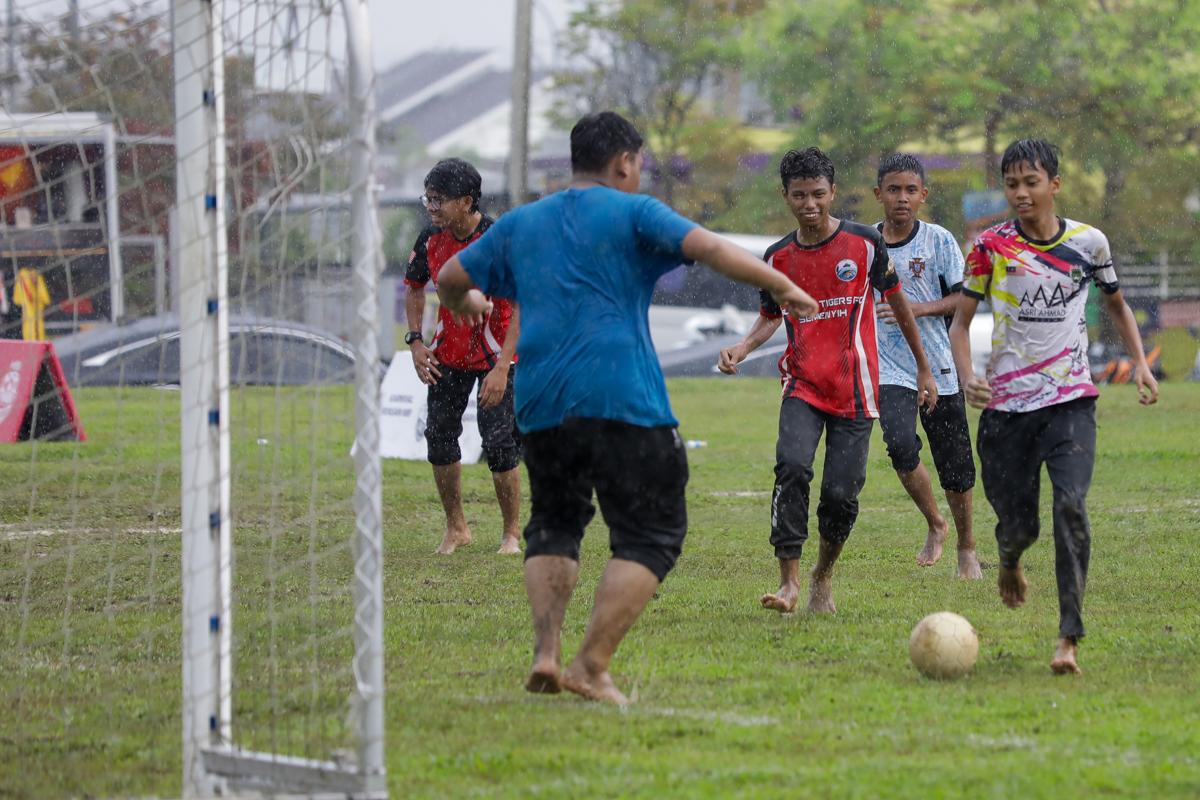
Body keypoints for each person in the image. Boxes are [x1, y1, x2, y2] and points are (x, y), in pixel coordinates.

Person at [437, 111, 818, 706]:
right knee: (651, 535)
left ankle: (546, 654)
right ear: (623, 162)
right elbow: (712, 248)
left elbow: (449, 276)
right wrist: (784, 287)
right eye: (638, 163)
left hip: (541, 404)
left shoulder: (522, 223)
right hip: (621, 396)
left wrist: (469, 299)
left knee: (555, 525)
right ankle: (590, 665)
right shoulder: (633, 211)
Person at [949, 138, 1159, 675]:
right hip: (1006, 412)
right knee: (1019, 527)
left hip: (1070, 402)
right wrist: (968, 377)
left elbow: (1117, 304)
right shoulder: (989, 247)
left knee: (1070, 506)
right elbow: (960, 321)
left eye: (1031, 182)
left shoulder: (1090, 244)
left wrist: (1139, 362)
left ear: (1054, 185)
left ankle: (1068, 637)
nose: (1021, 193)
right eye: (1012, 183)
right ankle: (1010, 558)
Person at [718, 147, 939, 615]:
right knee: (792, 468)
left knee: (841, 495)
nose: (810, 204)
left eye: (818, 194)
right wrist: (741, 347)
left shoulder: (864, 245)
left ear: (833, 192)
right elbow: (768, 317)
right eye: (799, 195)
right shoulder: (777, 257)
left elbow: (897, 302)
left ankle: (823, 575)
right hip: (802, 386)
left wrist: (923, 366)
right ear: (786, 196)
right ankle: (789, 582)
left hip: (856, 392)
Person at [403, 158, 522, 556]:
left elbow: (523, 303)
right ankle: (457, 529)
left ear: (467, 201)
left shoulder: (499, 240)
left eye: (439, 200)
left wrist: (503, 367)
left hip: (495, 355)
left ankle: (511, 534)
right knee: (438, 438)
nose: (430, 207)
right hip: (448, 355)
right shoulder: (429, 240)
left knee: (500, 442)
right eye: (428, 198)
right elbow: (414, 288)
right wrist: (416, 341)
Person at [872, 153, 982, 579]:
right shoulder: (866, 243)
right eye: (894, 190)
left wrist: (917, 309)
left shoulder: (939, 240)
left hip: (938, 366)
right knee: (900, 444)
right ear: (878, 193)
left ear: (923, 196)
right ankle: (936, 523)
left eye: (911, 190)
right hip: (888, 368)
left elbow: (965, 297)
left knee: (955, 464)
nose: (902, 198)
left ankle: (967, 547)